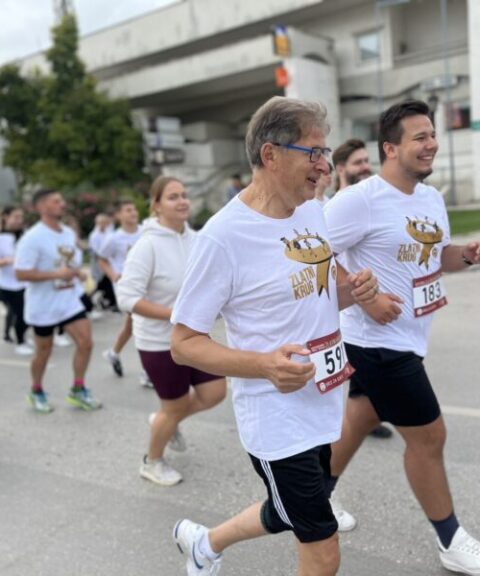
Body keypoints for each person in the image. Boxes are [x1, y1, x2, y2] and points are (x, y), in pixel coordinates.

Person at [169, 96, 379, 576]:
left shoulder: (313, 212)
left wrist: (355, 292)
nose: (325, 166)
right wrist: (264, 364)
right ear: (270, 154)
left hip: (324, 397)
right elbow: (183, 342)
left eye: (326, 154)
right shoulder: (223, 236)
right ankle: (205, 546)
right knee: (322, 545)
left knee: (293, 509)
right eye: (314, 153)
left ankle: (205, 545)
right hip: (276, 415)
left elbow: (321, 295)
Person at [323, 100, 480, 576]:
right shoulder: (360, 199)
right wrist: (365, 297)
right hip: (375, 340)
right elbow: (316, 253)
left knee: (361, 417)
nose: (431, 144)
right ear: (390, 148)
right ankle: (452, 540)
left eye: (432, 135)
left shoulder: (430, 198)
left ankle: (314, 497)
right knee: (429, 436)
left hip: (410, 332)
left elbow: (436, 257)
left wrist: (466, 254)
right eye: (419, 137)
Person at [117, 176, 227, 486]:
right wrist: (176, 315)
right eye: (172, 197)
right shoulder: (146, 246)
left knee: (215, 392)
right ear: (155, 206)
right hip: (158, 343)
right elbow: (126, 297)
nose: (182, 201)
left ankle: (165, 421)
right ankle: (152, 461)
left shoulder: (197, 240)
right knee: (175, 404)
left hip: (194, 336)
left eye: (184, 195)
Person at [332, 138, 395, 448]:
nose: (366, 167)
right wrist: (366, 298)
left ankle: (363, 420)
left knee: (363, 387)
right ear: (341, 169)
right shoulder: (338, 206)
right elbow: (323, 257)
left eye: (367, 161)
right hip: (352, 311)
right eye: (357, 162)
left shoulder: (371, 202)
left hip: (373, 310)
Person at [14, 189, 101, 414]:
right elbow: (21, 274)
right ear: (41, 207)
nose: (62, 204)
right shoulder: (32, 237)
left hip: (69, 299)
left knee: (86, 342)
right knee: (44, 351)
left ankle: (78, 389)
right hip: (43, 305)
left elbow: (69, 263)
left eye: (62, 200)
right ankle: (36, 390)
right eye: (56, 201)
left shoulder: (68, 233)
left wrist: (77, 273)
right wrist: (56, 275)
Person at [100, 200, 142, 377]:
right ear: (118, 215)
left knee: (132, 324)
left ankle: (114, 352)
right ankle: (148, 371)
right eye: (128, 210)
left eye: (134, 209)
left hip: (147, 284)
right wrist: (113, 274)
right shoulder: (113, 238)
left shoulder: (146, 231)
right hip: (126, 287)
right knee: (142, 323)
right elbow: (101, 259)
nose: (133, 213)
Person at [0, 206, 31, 355]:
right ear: (6, 217)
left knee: (28, 312)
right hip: (8, 284)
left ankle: (22, 336)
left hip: (25, 281)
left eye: (21, 217)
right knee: (20, 313)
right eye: (16, 217)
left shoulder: (25, 235)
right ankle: (20, 342)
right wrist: (9, 260)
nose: (19, 220)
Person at [88, 213, 116, 310]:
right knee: (101, 283)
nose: (103, 224)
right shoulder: (94, 235)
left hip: (109, 263)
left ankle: (109, 301)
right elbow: (96, 251)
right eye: (101, 222)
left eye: (105, 222)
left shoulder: (109, 233)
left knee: (106, 283)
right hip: (98, 263)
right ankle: (91, 298)